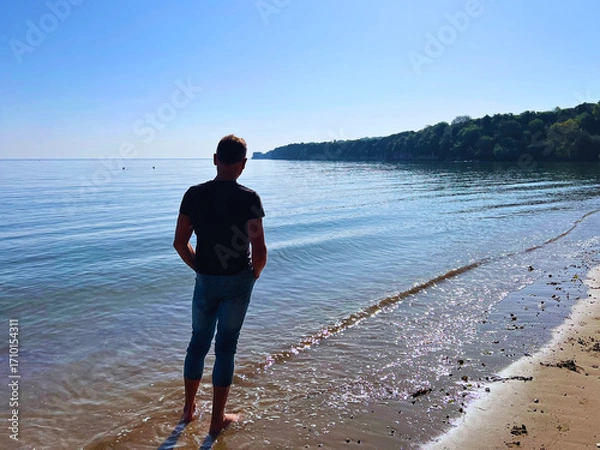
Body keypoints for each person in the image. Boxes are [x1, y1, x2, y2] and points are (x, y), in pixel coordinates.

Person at [173, 134, 267, 437]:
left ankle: (188, 411)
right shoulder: (249, 198)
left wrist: (201, 268)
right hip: (238, 280)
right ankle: (217, 422)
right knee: (226, 347)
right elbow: (259, 248)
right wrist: (253, 275)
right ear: (243, 164)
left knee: (197, 343)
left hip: (206, 281)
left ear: (215, 159)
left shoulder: (194, 194)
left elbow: (180, 242)